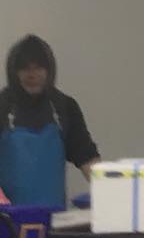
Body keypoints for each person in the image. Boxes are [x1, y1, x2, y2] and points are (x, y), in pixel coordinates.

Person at [0, 35, 100, 208]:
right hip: (8, 224)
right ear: (13, 72)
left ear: (50, 70)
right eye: (25, 69)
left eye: (39, 68)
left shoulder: (65, 107)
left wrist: (111, 194)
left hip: (54, 222)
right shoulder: (2, 106)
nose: (32, 75)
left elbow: (87, 158)